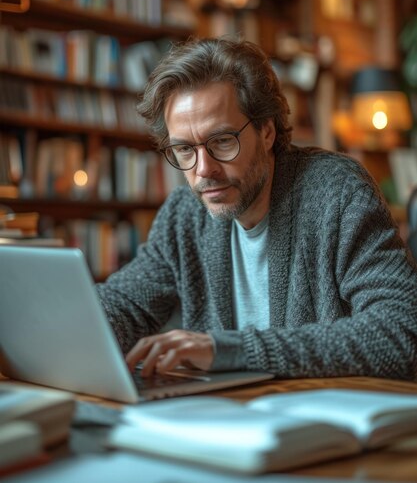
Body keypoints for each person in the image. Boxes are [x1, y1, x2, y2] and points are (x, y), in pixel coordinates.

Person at [97, 37, 417, 381]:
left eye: (221, 141)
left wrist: (232, 350)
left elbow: (401, 331)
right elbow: (126, 304)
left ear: (266, 131)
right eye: (185, 150)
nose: (203, 169)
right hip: (229, 416)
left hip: (326, 419)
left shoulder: (336, 192)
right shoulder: (184, 213)